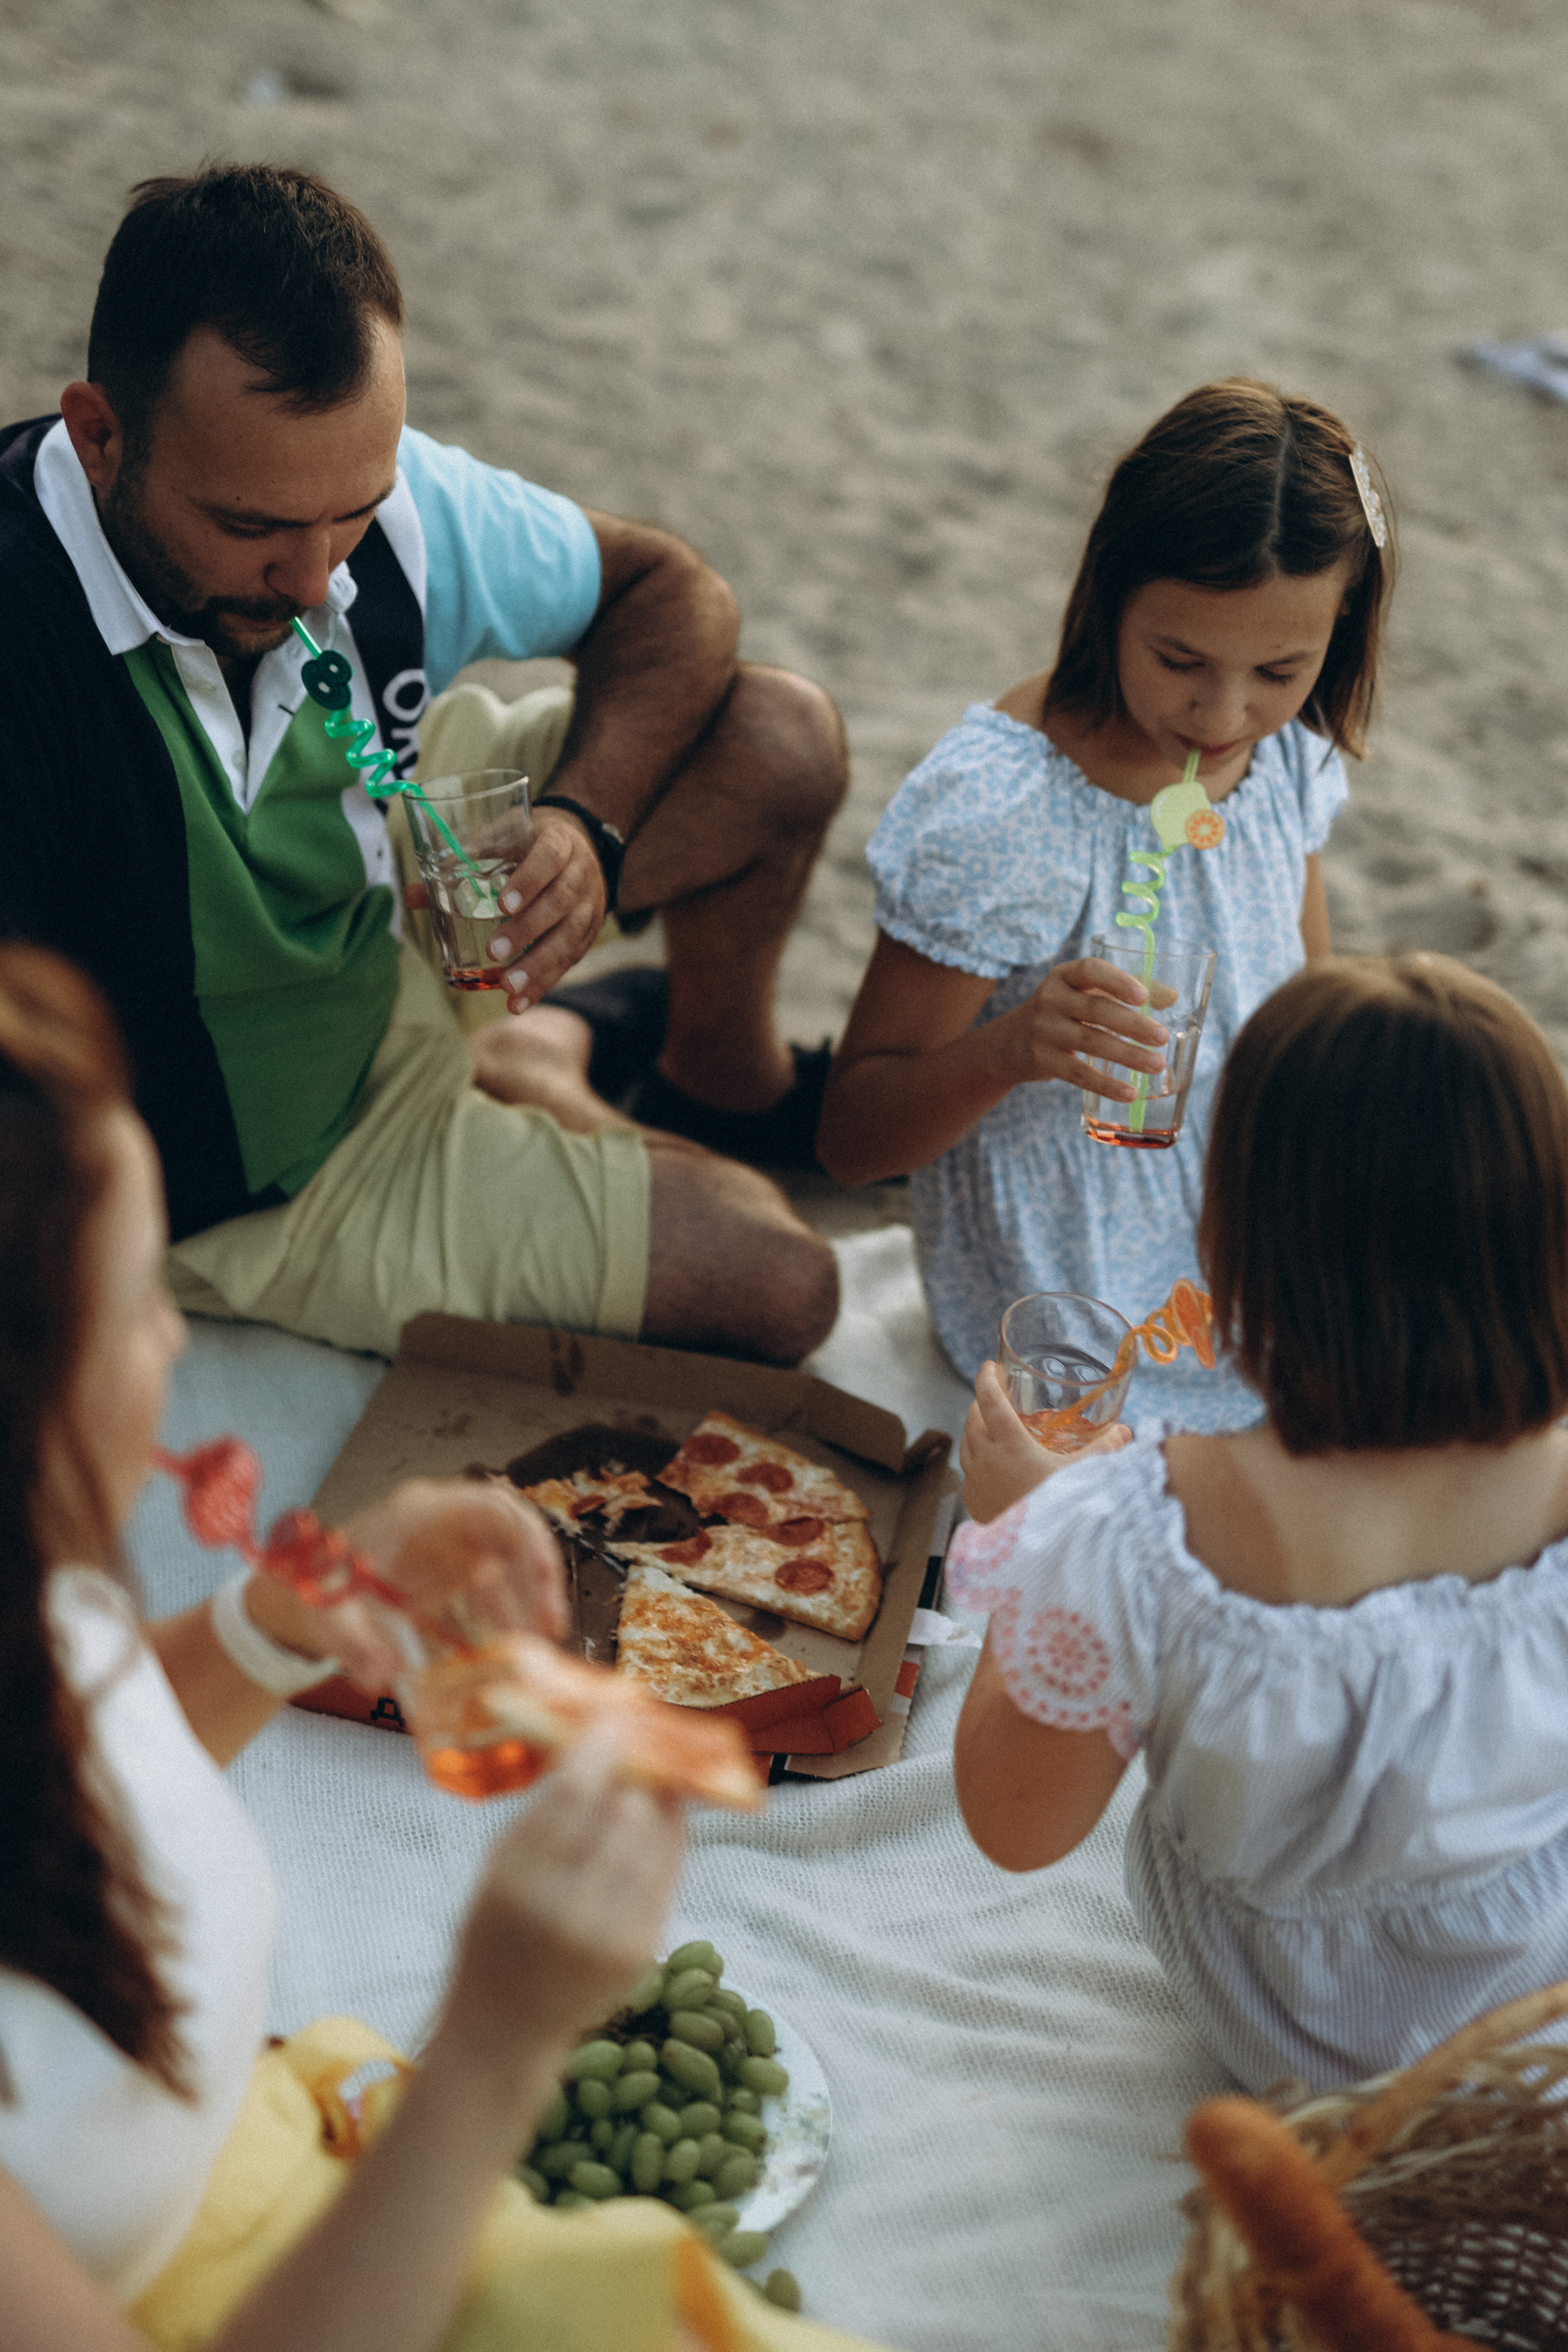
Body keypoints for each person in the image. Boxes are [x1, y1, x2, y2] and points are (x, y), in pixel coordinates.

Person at [0, 941, 876, 2352]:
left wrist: (271, 1629)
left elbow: (64, 1761)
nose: (177, 1343)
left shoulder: (30, 1584)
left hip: (261, 2141)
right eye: (140, 1308)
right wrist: (493, 2046)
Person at [0, 164, 842, 1370]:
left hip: (397, 897)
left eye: (352, 510)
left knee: (775, 737)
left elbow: (671, 593)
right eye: (250, 528)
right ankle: (537, 1055)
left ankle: (696, 1078)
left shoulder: (349, 507)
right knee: (784, 1285)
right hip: (259, 1174)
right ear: (99, 435)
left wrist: (581, 832)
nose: (314, 579)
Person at [946, 955, 1568, 2094]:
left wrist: (1035, 1540)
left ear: (1234, 1236)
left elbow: (1012, 1826)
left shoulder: (1146, 1537)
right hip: (1539, 2007)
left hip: (1300, 2044)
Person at [816, 380, 1394, 1428]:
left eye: (1279, 668)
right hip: (1071, 1288)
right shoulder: (1005, 808)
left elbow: (1303, 1022)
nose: (1223, 715)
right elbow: (853, 1141)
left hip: (1246, 1230)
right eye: (1179, 661)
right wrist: (1012, 1050)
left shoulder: (1288, 757)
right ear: (1108, 592)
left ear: (1339, 631)